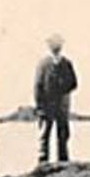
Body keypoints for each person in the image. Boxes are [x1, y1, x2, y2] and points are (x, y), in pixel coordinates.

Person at [35, 34, 79, 164]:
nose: (55, 46)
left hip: (62, 104)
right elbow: (38, 86)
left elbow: (74, 83)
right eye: (52, 44)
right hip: (47, 105)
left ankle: (63, 159)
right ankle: (43, 161)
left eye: (57, 44)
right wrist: (39, 106)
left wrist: (62, 87)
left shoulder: (67, 63)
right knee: (44, 134)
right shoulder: (43, 64)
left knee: (63, 133)